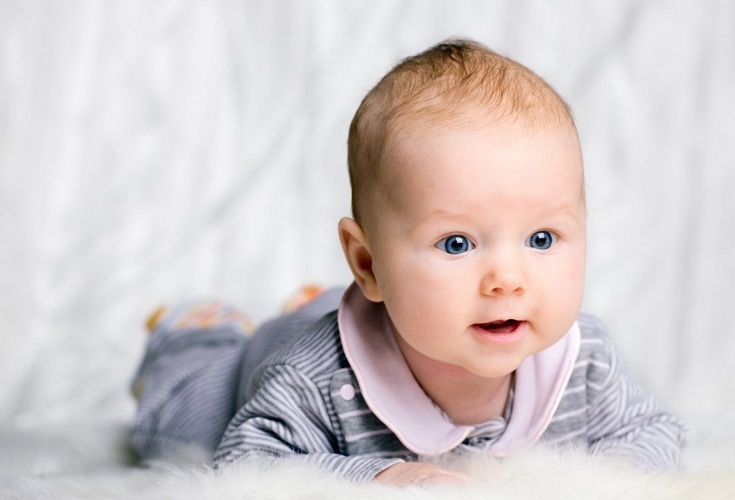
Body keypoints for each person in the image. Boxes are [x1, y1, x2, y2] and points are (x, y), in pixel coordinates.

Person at [130, 39, 686, 486]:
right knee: (179, 423)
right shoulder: (312, 380)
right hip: (254, 363)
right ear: (366, 263)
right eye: (457, 244)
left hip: (381, 309)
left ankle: (313, 300)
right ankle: (195, 332)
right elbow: (249, 464)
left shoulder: (582, 362)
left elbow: (652, 435)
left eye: (542, 238)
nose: (508, 281)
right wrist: (377, 475)